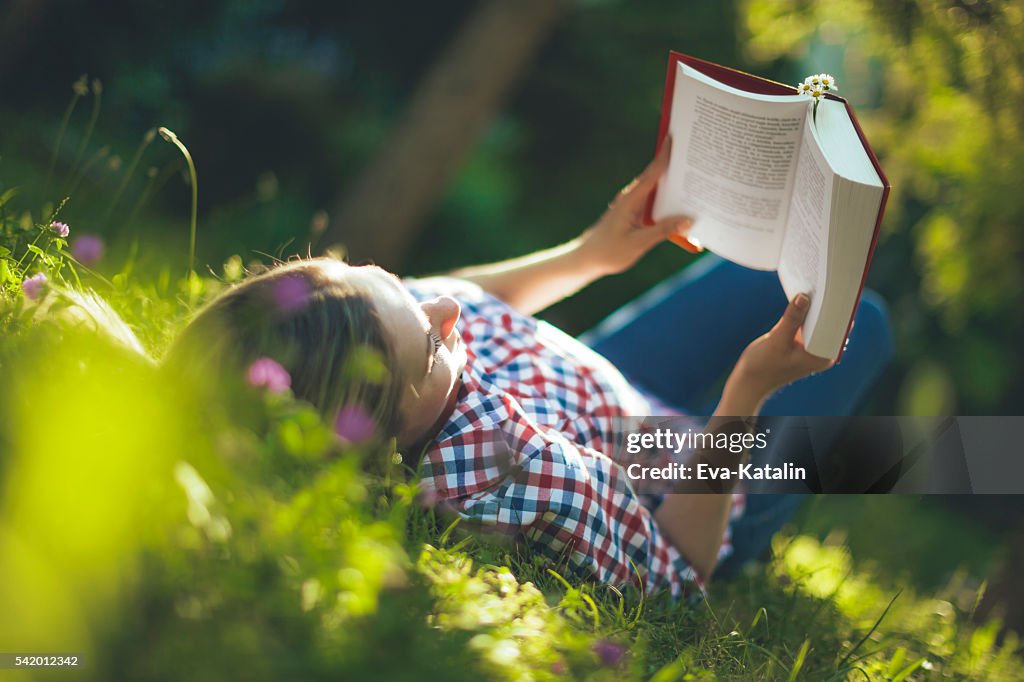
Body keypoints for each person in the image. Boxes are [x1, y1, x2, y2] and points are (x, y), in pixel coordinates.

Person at [163, 143, 892, 598]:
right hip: (688, 487)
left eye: (388, 282)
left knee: (760, 280)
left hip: (603, 395)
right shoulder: (524, 475)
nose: (444, 303)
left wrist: (589, 255)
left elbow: (465, 302)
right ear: (383, 426)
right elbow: (679, 572)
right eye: (427, 331)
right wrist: (749, 391)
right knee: (872, 325)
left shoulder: (386, 362)